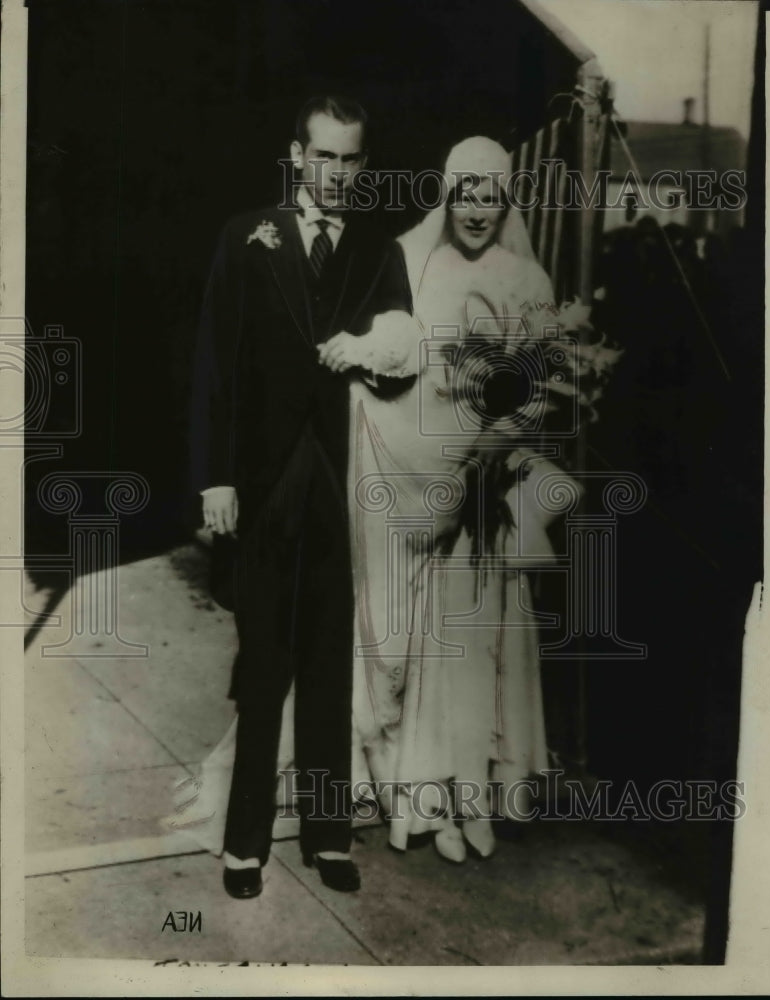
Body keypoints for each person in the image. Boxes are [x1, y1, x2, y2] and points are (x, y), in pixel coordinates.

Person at [319, 136, 610, 863]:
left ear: (506, 198)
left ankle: (476, 796)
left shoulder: (528, 278)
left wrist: (490, 450)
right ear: (446, 195)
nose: (477, 209)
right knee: (424, 650)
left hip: (491, 484)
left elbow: (540, 390)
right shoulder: (413, 262)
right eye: (465, 193)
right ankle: (424, 802)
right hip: (425, 480)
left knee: (479, 644)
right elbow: (395, 355)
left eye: (490, 194)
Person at [188, 94, 412, 899]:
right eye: (325, 157)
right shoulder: (248, 238)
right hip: (262, 479)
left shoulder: (380, 249)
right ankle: (244, 842)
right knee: (264, 663)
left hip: (342, 479)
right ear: (297, 155)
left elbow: (404, 350)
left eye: (352, 160)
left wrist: (378, 349)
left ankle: (327, 835)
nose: (339, 174)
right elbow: (215, 360)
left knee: (328, 660)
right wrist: (213, 476)